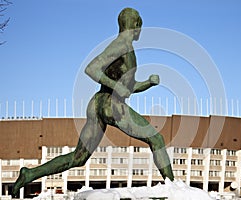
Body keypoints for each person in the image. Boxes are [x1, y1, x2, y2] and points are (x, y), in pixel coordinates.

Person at [13, 7, 174, 195]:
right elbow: (91, 69)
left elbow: (128, 88)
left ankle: (30, 174)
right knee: (156, 139)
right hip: (111, 105)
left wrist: (148, 83)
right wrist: (116, 86)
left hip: (98, 103)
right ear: (137, 25)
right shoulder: (121, 45)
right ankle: (174, 188)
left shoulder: (126, 48)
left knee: (78, 158)